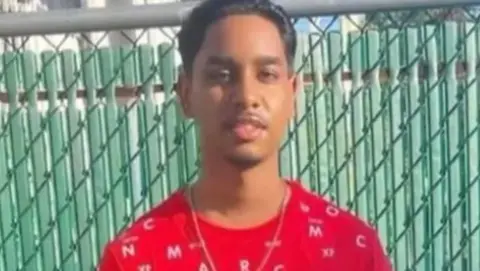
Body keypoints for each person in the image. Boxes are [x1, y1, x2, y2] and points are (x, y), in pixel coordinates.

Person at [98, 0, 393, 270]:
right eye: (221, 76)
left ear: (292, 94)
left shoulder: (350, 250)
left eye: (266, 74)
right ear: (186, 94)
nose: (247, 96)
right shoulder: (134, 259)